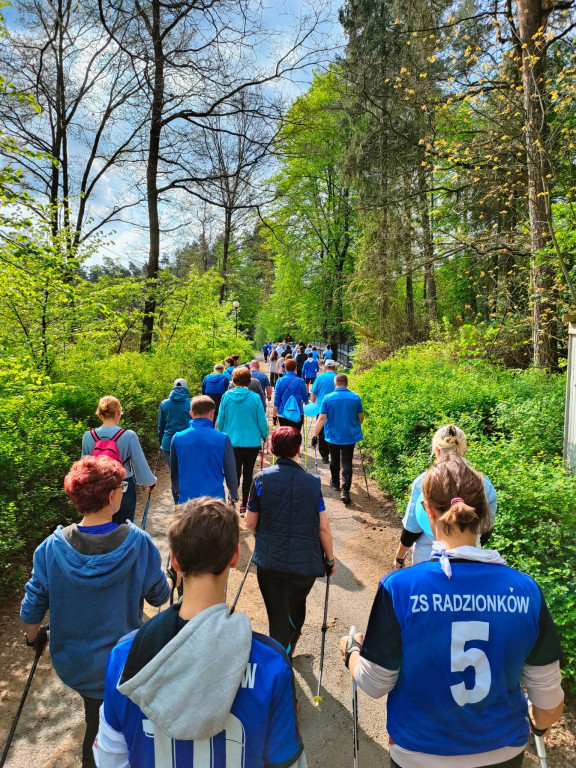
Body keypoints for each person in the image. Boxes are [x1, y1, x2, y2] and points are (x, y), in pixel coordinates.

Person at [340, 455, 564, 768]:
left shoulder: (400, 588)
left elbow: (375, 683)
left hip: (419, 753)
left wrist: (351, 652)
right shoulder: (526, 591)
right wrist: (539, 723)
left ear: (427, 511)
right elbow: (550, 703)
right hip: (503, 752)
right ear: (485, 512)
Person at [97, 497, 307, 768]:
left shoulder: (124, 657)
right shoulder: (271, 663)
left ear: (174, 559)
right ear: (235, 557)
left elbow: (110, 760)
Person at [21, 455, 170, 768]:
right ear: (112, 496)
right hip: (122, 662)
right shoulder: (138, 543)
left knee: (97, 717)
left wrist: (32, 639)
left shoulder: (51, 547)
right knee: (108, 726)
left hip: (75, 663)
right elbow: (159, 596)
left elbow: (32, 607)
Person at [246, 427, 336, 657]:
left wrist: (263, 536)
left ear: (273, 449)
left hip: (269, 560)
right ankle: (291, 641)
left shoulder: (260, 479)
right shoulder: (313, 483)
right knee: (297, 602)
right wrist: (330, 559)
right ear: (298, 450)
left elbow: (250, 522)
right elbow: (323, 527)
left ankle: (279, 657)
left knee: (276, 612)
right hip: (305, 562)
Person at [394, 424, 498, 568]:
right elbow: (486, 528)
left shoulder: (424, 481)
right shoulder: (484, 484)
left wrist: (400, 557)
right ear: (465, 450)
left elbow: (412, 528)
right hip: (471, 552)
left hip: (428, 553)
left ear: (436, 451)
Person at [81, 396, 156, 524]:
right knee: (123, 528)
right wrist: (150, 482)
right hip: (123, 486)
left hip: (98, 487)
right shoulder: (128, 435)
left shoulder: (88, 436)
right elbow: (140, 465)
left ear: (100, 415)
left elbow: (84, 468)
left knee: (100, 526)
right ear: (118, 413)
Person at [170, 395, 239, 505]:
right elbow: (230, 472)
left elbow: (174, 472)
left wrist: (178, 493)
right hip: (215, 502)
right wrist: (233, 494)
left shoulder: (177, 438)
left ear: (191, 414)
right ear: (212, 413)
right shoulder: (223, 438)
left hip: (187, 501)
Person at [218, 366, 268, 514]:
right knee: (248, 473)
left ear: (233, 379)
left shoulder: (226, 397)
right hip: (251, 442)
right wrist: (264, 435)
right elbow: (261, 421)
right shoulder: (255, 397)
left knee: (233, 473)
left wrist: (222, 433)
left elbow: (220, 421)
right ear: (248, 380)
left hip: (231, 441)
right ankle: (245, 505)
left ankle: (232, 498)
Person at [312, 373, 363, 504]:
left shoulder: (328, 398)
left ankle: (335, 482)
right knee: (347, 461)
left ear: (335, 384)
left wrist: (315, 435)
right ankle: (345, 490)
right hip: (349, 435)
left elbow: (321, 419)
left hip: (332, 435)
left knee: (334, 459)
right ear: (347, 384)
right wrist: (355, 426)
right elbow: (360, 417)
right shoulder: (355, 397)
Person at [158, 378, 191, 466]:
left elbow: (161, 426)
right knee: (185, 470)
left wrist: (161, 441)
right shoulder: (190, 403)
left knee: (174, 472)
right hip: (186, 441)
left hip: (168, 442)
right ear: (186, 388)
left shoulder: (164, 403)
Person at [310, 359, 337, 463]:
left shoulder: (320, 377)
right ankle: (334, 452)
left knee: (321, 431)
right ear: (334, 367)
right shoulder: (337, 377)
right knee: (334, 429)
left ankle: (324, 455)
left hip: (321, 408)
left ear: (325, 367)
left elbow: (314, 393)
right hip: (335, 408)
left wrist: (313, 404)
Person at [272, 358, 309, 432]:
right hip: (297, 413)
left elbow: (276, 400)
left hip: (283, 414)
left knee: (285, 437)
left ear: (285, 369)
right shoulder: (300, 381)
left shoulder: (279, 381)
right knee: (296, 437)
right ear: (295, 368)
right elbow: (305, 398)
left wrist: (274, 416)